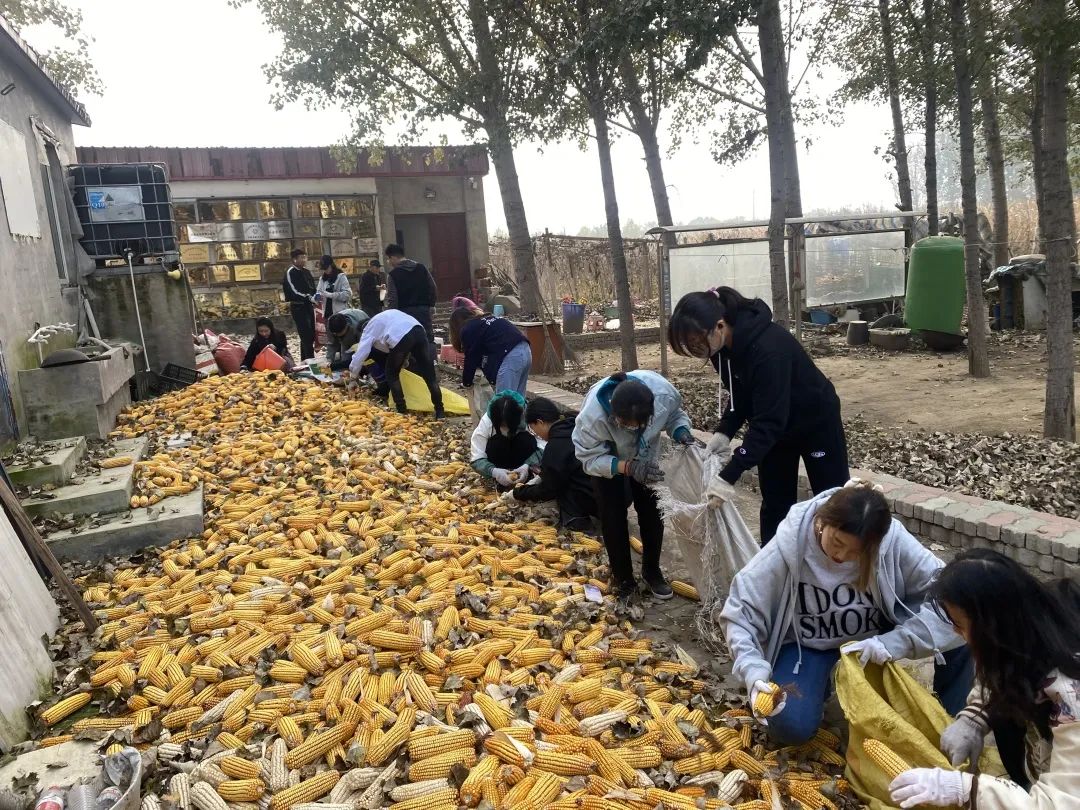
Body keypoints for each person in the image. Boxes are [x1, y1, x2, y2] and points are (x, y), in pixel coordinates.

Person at [720, 481, 972, 747]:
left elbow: (955, 594)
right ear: (822, 521)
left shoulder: (891, 540)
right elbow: (740, 611)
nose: (841, 556)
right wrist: (752, 670)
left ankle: (946, 724)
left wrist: (893, 643)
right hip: (810, 647)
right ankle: (820, 684)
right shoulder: (790, 543)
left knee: (960, 628)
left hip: (872, 645)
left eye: (856, 552)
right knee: (789, 726)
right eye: (836, 542)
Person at [886, 549, 1080, 810]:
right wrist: (974, 717)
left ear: (992, 627)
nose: (956, 632)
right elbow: (1003, 669)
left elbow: (1061, 803)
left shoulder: (1071, 691)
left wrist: (967, 790)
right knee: (1004, 714)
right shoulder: (1030, 617)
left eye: (960, 624)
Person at [668, 286, 850, 545]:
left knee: (833, 502)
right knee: (775, 503)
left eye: (698, 342)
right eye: (690, 346)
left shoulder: (768, 349)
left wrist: (729, 474)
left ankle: (838, 558)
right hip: (776, 428)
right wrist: (725, 431)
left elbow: (769, 421)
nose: (697, 350)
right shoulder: (721, 350)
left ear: (719, 325)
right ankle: (774, 561)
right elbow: (741, 394)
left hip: (814, 422)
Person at [572, 371, 697, 601]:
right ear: (615, 416)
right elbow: (588, 459)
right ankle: (624, 579)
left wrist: (681, 432)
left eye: (641, 424)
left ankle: (652, 571)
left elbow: (674, 416)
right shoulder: (592, 418)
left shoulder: (664, 395)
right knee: (613, 515)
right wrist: (627, 467)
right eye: (627, 425)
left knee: (652, 511)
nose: (634, 428)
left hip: (646, 456)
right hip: (607, 458)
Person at [507, 397, 596, 531]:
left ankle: (577, 520)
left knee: (563, 489)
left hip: (597, 497)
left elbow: (548, 489)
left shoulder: (556, 445)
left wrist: (518, 493)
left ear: (540, 422)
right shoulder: (573, 424)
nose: (536, 434)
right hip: (615, 491)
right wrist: (541, 476)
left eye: (533, 429)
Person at [346, 308, 444, 419]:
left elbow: (361, 354)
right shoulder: (386, 316)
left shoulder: (368, 329)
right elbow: (401, 337)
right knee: (430, 376)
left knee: (391, 374)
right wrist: (404, 358)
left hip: (403, 337)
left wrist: (353, 377)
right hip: (419, 331)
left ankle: (401, 409)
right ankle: (440, 411)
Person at [449, 308, 533, 396]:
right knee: (518, 398)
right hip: (525, 350)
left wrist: (467, 383)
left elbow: (471, 359)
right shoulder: (486, 321)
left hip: (511, 356)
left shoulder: (468, 329)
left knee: (504, 400)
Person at [470, 390, 543, 490]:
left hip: (523, 456)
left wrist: (528, 465)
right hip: (500, 460)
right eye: (502, 426)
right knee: (497, 442)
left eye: (508, 426)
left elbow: (545, 446)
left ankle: (526, 473)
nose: (506, 430)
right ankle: (501, 476)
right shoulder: (486, 422)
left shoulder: (530, 417)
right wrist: (493, 471)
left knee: (524, 439)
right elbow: (476, 458)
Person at [384, 243, 437, 351]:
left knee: (409, 345)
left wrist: (392, 318)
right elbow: (432, 288)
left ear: (393, 257)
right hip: (423, 311)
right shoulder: (421, 268)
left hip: (404, 315)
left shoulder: (392, 275)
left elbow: (392, 299)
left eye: (388, 259)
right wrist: (431, 306)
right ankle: (430, 361)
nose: (388, 262)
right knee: (427, 340)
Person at [282, 248, 319, 361]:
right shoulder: (291, 272)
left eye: (305, 257)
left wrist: (315, 296)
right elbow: (293, 291)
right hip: (298, 306)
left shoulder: (306, 272)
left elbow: (312, 287)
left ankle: (305, 359)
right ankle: (310, 360)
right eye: (301, 258)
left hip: (309, 306)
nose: (304, 260)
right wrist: (308, 297)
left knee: (311, 334)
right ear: (294, 259)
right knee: (305, 334)